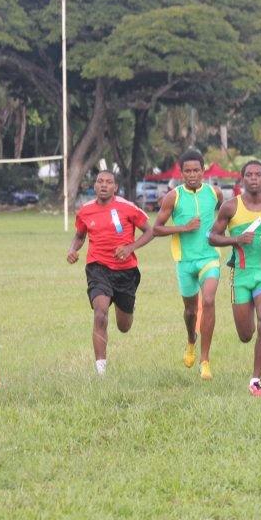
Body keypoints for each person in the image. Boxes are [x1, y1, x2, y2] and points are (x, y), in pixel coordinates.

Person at [209, 160, 261, 397]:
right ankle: (251, 335)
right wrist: (235, 240)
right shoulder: (230, 207)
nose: (254, 178)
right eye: (249, 175)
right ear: (242, 179)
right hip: (241, 276)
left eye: (258, 175)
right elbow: (212, 237)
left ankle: (255, 380)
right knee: (246, 335)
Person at [67, 170, 154, 375]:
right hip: (98, 268)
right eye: (100, 181)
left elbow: (150, 231)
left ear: (115, 187)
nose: (104, 185)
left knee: (124, 326)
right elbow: (79, 236)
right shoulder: (85, 211)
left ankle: (127, 305)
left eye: (108, 182)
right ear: (94, 186)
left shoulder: (127, 207)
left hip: (126, 271)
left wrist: (130, 248)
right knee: (100, 313)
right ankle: (101, 371)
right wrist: (72, 250)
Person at [153, 150, 223, 380]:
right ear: (181, 173)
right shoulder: (173, 197)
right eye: (188, 171)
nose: (192, 175)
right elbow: (157, 228)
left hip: (209, 257)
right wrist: (184, 228)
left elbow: (226, 215)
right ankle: (191, 340)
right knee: (190, 311)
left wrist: (222, 233)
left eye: (196, 170)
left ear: (203, 171)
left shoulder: (214, 193)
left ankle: (205, 361)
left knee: (209, 300)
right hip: (184, 261)